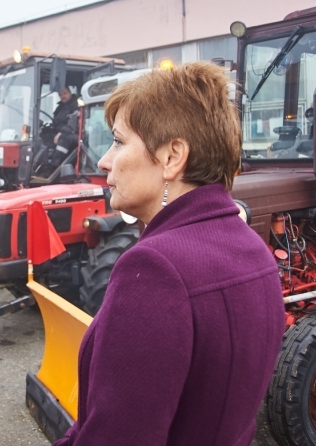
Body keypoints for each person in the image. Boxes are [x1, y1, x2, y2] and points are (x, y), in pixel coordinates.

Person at [54, 62, 285, 446]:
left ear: (172, 157)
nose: (104, 161)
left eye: (119, 142)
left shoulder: (155, 268)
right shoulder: (254, 251)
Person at [49, 86, 79, 166]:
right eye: (60, 94)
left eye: (65, 93)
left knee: (64, 139)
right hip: (61, 132)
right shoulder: (59, 108)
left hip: (75, 133)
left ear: (70, 92)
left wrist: (60, 133)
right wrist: (43, 130)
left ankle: (55, 166)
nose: (63, 96)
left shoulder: (76, 105)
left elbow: (73, 124)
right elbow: (55, 123)